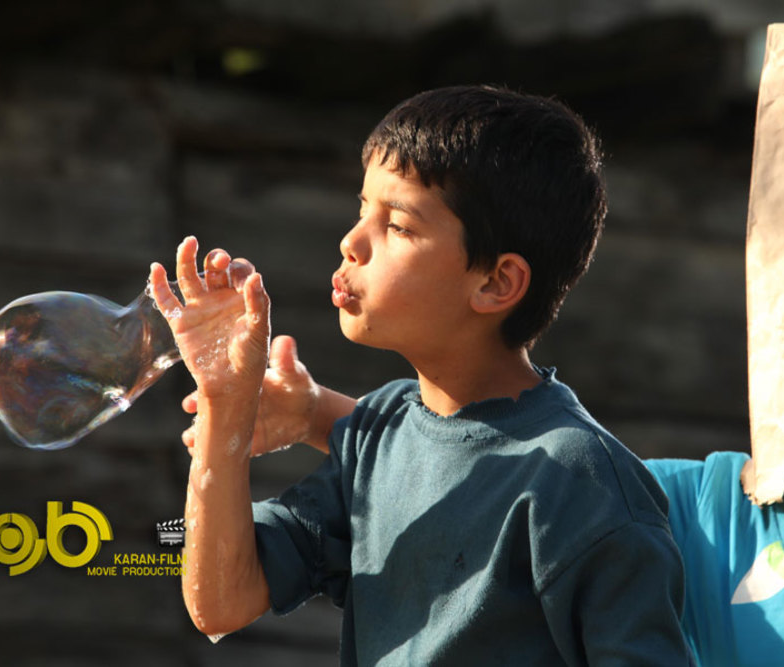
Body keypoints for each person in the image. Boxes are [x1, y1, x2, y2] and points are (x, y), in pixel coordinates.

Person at [149, 85, 693, 665]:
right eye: (362, 209)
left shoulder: (581, 484)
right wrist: (225, 409)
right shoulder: (380, 436)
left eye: (399, 226)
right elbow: (222, 601)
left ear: (494, 283)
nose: (352, 241)